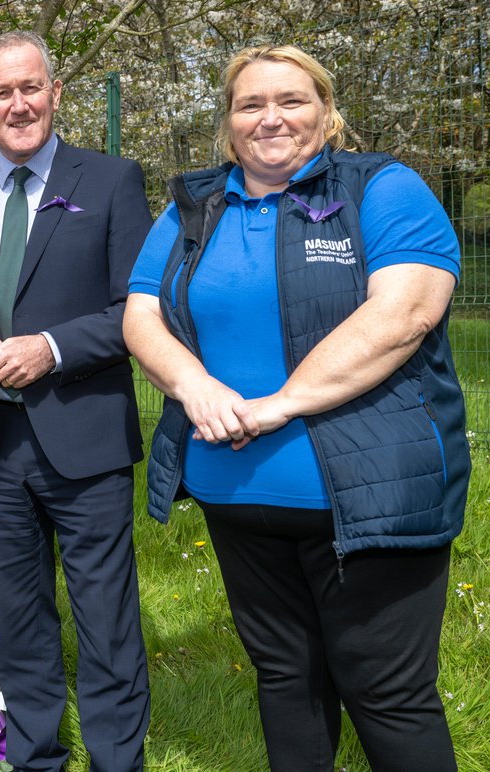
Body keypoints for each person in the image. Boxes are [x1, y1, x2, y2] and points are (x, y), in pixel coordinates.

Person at [124, 44, 469, 772]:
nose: (271, 118)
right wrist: (195, 388)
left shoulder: (383, 189)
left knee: (387, 694)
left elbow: (403, 315)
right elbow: (141, 315)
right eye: (251, 104)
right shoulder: (196, 205)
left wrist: (281, 404)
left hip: (370, 502)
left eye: (292, 100)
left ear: (326, 110)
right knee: (287, 681)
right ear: (227, 121)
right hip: (238, 500)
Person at [0, 31, 153, 771]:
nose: (19, 104)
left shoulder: (111, 181)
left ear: (54, 92)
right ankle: (35, 756)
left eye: (31, 87)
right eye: (2, 93)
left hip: (86, 437)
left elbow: (137, 311)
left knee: (106, 619)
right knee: (19, 621)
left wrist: (51, 347)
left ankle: (117, 761)